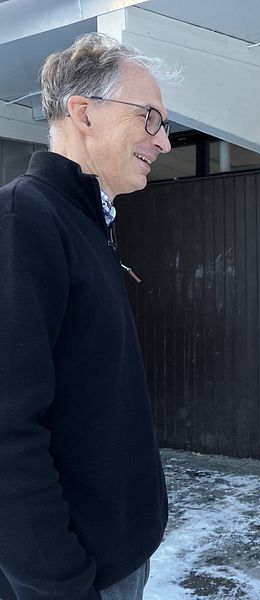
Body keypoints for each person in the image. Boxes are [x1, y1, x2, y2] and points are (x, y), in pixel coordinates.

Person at [0, 33, 173, 599]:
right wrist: (58, 584)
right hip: (75, 577)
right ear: (83, 113)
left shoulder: (86, 224)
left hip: (116, 560)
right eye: (150, 118)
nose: (164, 142)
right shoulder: (24, 219)